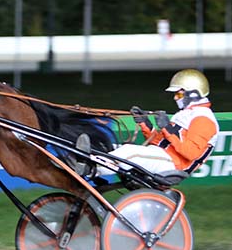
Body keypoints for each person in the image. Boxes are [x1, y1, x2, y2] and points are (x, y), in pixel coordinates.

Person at [74, 69, 220, 178]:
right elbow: (162, 142)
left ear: (193, 93)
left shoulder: (203, 119)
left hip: (175, 165)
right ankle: (88, 161)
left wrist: (167, 128)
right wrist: (146, 124)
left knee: (130, 153)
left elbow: (191, 153)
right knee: (128, 150)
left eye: (179, 94)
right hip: (165, 156)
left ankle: (91, 169)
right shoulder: (186, 113)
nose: (175, 98)